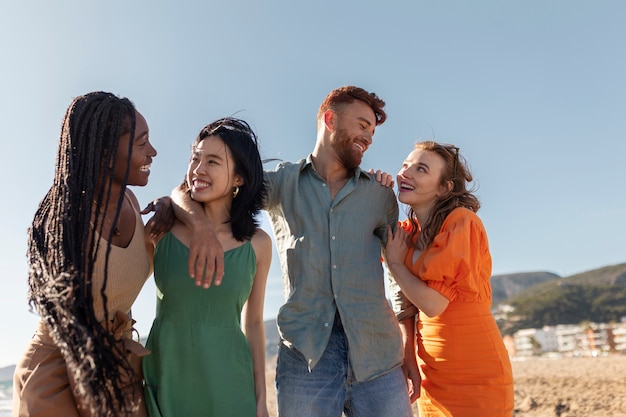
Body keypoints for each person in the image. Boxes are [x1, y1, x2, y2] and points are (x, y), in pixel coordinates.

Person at [173, 86, 413, 417]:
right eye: (361, 125)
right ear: (330, 119)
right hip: (305, 358)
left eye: (372, 130)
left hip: (379, 358)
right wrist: (194, 222)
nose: (368, 137)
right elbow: (198, 188)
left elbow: (398, 269)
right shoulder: (280, 183)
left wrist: (409, 347)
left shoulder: (380, 195)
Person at [13, 92, 160, 417]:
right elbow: (73, 330)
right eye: (141, 143)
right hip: (59, 374)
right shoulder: (65, 222)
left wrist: (173, 207)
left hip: (116, 369)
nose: (152, 151)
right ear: (107, 153)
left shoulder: (133, 205)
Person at [141, 117, 272, 417]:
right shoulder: (161, 229)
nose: (198, 169)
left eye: (213, 161)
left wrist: (261, 400)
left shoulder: (258, 244)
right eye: (195, 158)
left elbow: (253, 324)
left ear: (239, 178)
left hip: (231, 387)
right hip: (166, 381)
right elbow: (125, 294)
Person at [385, 141, 514, 416]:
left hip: (476, 368)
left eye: (421, 169)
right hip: (431, 366)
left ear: (445, 187)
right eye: (405, 165)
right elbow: (404, 299)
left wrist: (396, 262)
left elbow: (433, 305)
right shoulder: (408, 232)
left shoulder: (461, 222)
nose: (405, 173)